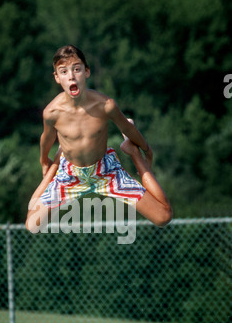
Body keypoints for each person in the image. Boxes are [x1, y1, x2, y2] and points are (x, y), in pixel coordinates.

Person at [26, 45, 172, 233]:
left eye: (76, 69)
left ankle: (131, 151)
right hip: (70, 175)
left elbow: (127, 127)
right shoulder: (51, 113)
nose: (71, 76)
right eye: (64, 72)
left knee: (164, 216)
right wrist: (45, 162)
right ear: (57, 77)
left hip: (106, 170)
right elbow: (46, 138)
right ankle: (57, 160)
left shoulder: (105, 105)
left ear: (86, 72)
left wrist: (145, 150)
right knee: (32, 226)